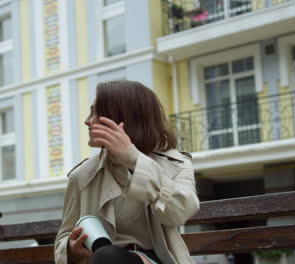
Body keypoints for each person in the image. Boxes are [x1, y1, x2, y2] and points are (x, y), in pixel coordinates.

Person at [54, 81, 200, 264]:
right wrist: (70, 249)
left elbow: (182, 211)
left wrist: (133, 159)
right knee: (107, 256)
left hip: (157, 260)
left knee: (109, 257)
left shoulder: (176, 164)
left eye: (95, 112)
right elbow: (64, 236)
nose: (87, 120)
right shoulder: (82, 175)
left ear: (119, 117)